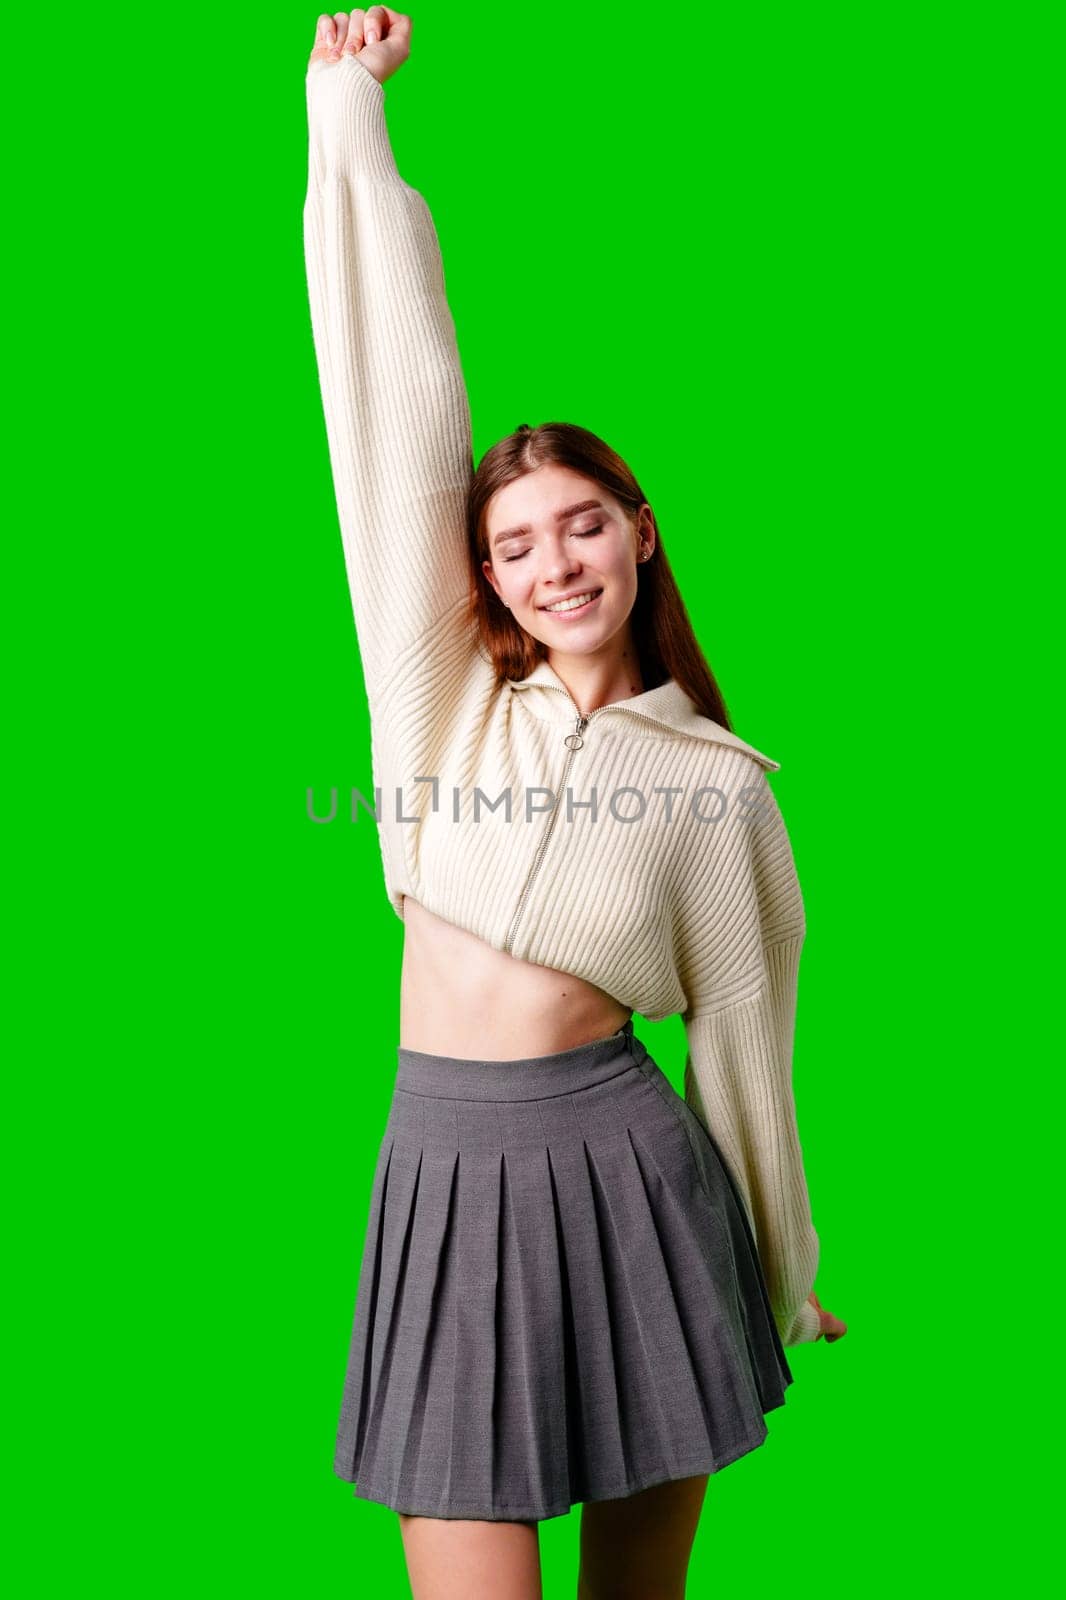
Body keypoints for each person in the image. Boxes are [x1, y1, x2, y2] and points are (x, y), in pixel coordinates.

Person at [303, 10, 847, 1598]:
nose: (554, 563)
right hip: (444, 1177)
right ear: (479, 580)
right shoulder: (443, 710)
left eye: (582, 525)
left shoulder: (717, 790)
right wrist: (351, 121)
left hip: (632, 1189)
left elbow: (746, 1037)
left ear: (641, 534)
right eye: (515, 544)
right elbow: (395, 422)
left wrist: (783, 1268)